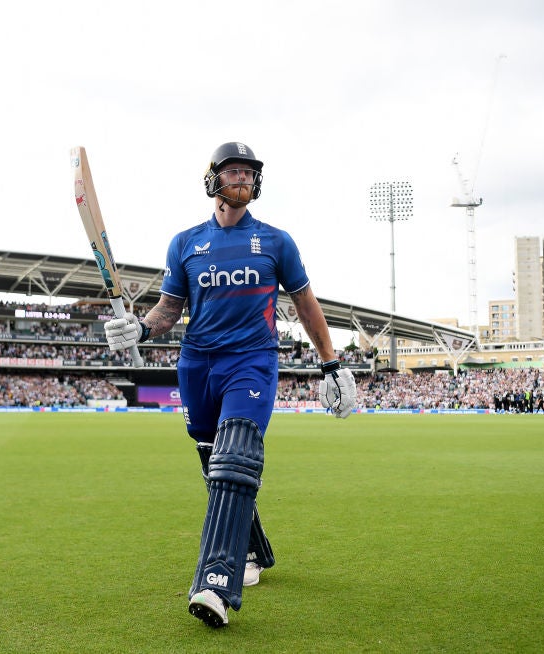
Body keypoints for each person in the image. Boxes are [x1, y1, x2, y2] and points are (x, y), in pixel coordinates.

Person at [104, 141, 357, 628]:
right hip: (197, 364)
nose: (242, 178)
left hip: (252, 361)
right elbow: (169, 309)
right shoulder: (185, 243)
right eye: (233, 171)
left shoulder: (277, 242)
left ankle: (216, 581)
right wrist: (139, 328)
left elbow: (306, 305)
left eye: (249, 172)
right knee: (213, 463)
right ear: (213, 180)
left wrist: (331, 364)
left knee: (235, 456)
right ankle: (252, 550)